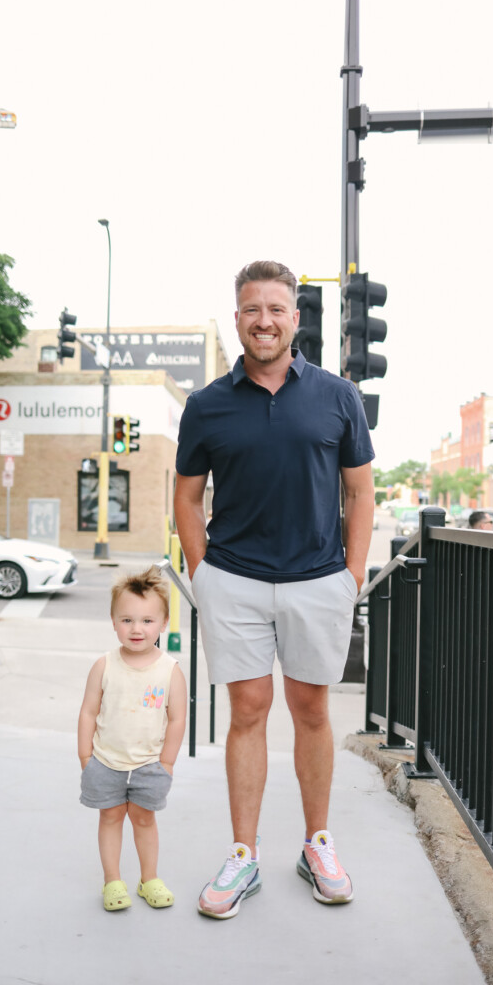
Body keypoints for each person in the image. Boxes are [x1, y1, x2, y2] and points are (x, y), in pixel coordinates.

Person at [174, 260, 375, 919]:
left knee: (312, 711)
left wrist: (349, 575)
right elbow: (185, 498)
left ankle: (317, 844)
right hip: (233, 579)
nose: (264, 321)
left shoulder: (337, 397)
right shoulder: (206, 405)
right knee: (249, 712)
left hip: (318, 581)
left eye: (276, 309)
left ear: (294, 318)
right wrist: (203, 574)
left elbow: (359, 490)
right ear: (238, 318)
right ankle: (243, 855)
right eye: (251, 309)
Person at [78, 567, 187, 912]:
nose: (137, 629)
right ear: (113, 621)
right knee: (109, 818)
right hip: (105, 762)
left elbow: (177, 718)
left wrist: (167, 762)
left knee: (144, 819)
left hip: (150, 765)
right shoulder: (104, 665)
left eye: (146, 620)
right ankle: (113, 881)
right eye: (127, 620)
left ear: (163, 622)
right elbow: (88, 712)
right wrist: (85, 757)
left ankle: (148, 878)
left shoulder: (169, 670)